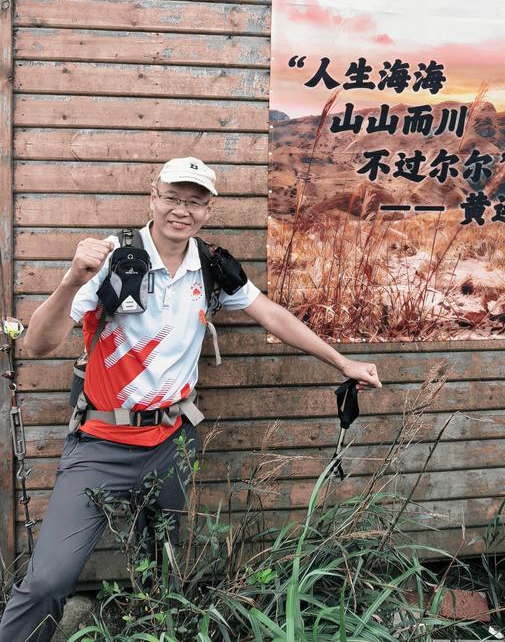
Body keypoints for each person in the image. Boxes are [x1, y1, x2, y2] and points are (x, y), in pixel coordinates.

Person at [0, 157, 381, 642]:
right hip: (100, 443)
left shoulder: (212, 265)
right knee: (49, 579)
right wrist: (73, 277)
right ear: (153, 197)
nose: (183, 210)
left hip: (172, 445)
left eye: (195, 201)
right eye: (173, 198)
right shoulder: (115, 260)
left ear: (208, 208)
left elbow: (271, 314)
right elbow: (37, 344)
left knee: (160, 570)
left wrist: (342, 363)